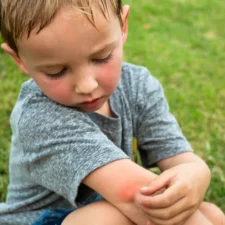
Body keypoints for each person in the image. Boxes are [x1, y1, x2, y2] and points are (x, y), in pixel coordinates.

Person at [0, 0, 224, 225]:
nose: (87, 85)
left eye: (102, 57)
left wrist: (197, 172)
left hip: (109, 208)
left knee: (212, 213)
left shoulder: (137, 86)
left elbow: (179, 159)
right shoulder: (39, 118)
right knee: (107, 218)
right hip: (43, 220)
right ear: (20, 59)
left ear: (123, 25)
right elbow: (138, 197)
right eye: (56, 71)